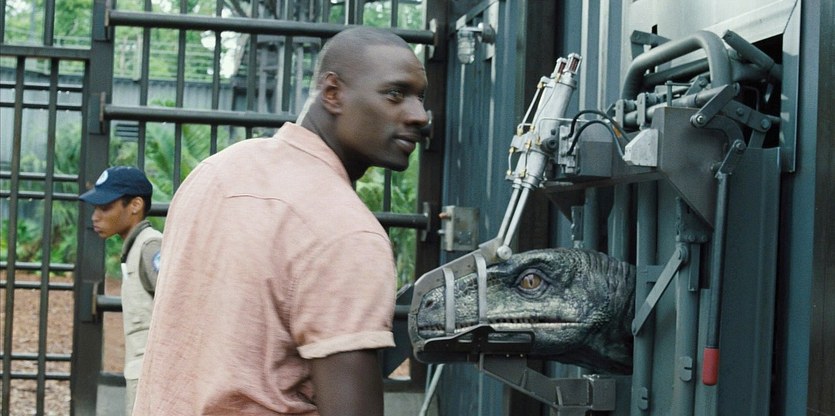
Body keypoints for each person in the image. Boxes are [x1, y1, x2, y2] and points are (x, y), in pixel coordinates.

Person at [132, 26, 428, 415]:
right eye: (395, 94)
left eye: (421, 98)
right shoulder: (346, 231)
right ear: (333, 93)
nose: (419, 116)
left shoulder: (216, 172)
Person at [78, 166, 161, 416]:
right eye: (95, 208)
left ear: (135, 205)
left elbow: (180, 308)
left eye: (105, 208)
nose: (95, 217)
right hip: (145, 376)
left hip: (155, 379)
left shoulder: (150, 247)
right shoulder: (135, 247)